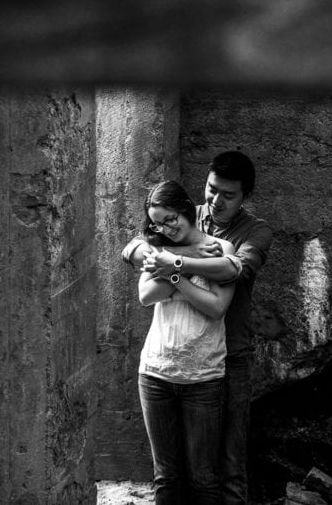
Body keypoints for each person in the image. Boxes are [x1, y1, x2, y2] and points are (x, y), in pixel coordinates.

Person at [124, 151, 273, 505]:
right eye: (211, 189)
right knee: (172, 473)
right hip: (166, 362)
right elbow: (134, 246)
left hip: (228, 353)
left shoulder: (255, 231)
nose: (215, 200)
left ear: (245, 196)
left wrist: (174, 264)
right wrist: (148, 252)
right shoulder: (186, 218)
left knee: (228, 463)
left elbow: (233, 269)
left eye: (228, 195)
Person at [135, 180, 240, 505]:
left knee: (203, 478)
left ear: (185, 209)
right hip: (155, 374)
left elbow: (216, 308)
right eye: (157, 223)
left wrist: (174, 274)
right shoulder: (158, 247)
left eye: (171, 219)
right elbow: (146, 295)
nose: (166, 228)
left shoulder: (220, 250)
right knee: (166, 477)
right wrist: (180, 260)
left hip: (203, 378)